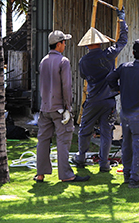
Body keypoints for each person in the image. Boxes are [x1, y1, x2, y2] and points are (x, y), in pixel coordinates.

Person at [73, 8, 128, 172]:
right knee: (106, 133)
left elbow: (84, 76)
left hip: (93, 99)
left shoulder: (83, 61)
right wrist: (122, 20)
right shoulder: (108, 55)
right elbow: (122, 41)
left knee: (85, 130)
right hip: (109, 100)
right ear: (100, 42)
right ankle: (104, 164)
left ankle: (81, 157)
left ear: (87, 45)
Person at [34, 30, 89, 183]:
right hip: (59, 108)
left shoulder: (43, 61)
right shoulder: (63, 61)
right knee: (63, 141)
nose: (65, 45)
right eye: (64, 42)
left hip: (45, 108)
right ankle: (66, 175)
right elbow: (66, 86)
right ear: (58, 44)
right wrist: (68, 108)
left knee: (43, 140)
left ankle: (40, 173)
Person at [106, 40, 139, 188]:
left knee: (126, 145)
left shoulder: (124, 67)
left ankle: (127, 175)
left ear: (133, 53)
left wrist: (118, 89)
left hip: (125, 113)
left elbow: (110, 78)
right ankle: (136, 179)